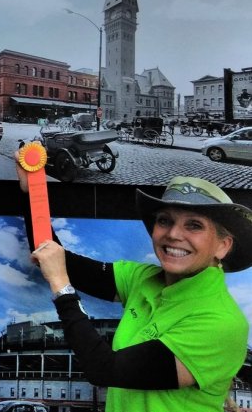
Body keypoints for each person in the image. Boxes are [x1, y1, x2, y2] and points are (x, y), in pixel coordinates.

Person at [26, 174, 251, 411]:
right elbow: (57, 258)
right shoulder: (143, 278)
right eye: (164, 220)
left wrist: (61, 287)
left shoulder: (223, 323)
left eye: (194, 225)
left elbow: (103, 369)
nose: (173, 234)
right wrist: (32, 188)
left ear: (222, 245)